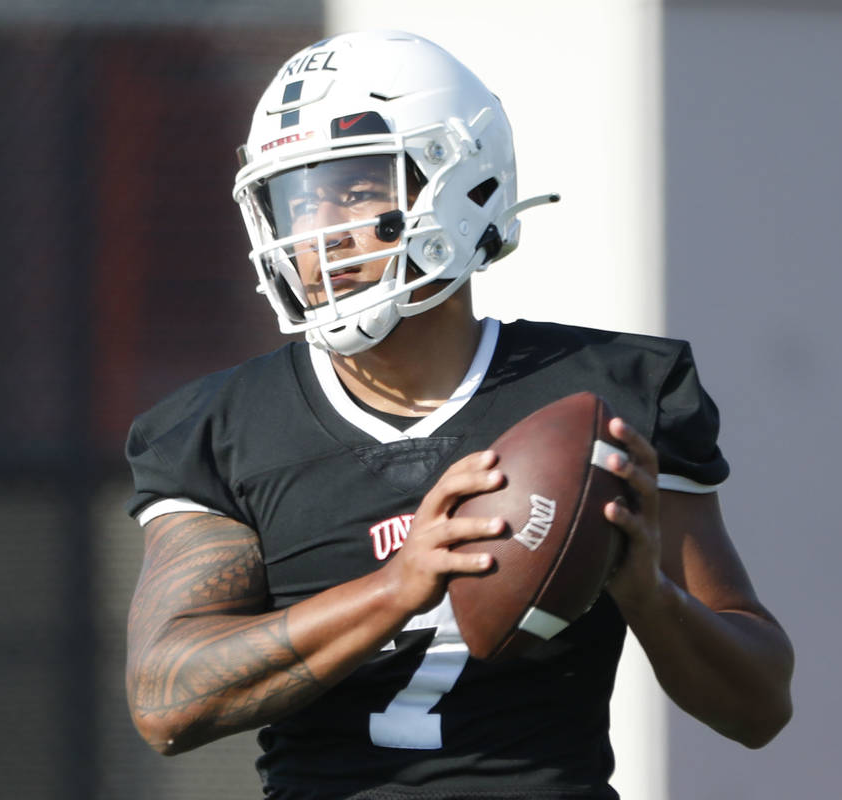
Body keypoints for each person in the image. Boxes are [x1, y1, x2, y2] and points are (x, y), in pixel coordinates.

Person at [123, 30, 793, 799]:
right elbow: (165, 699)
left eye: (352, 190)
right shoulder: (222, 429)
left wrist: (650, 594)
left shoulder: (612, 395)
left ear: (462, 182)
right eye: (298, 201)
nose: (316, 234)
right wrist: (396, 588)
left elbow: (760, 706)